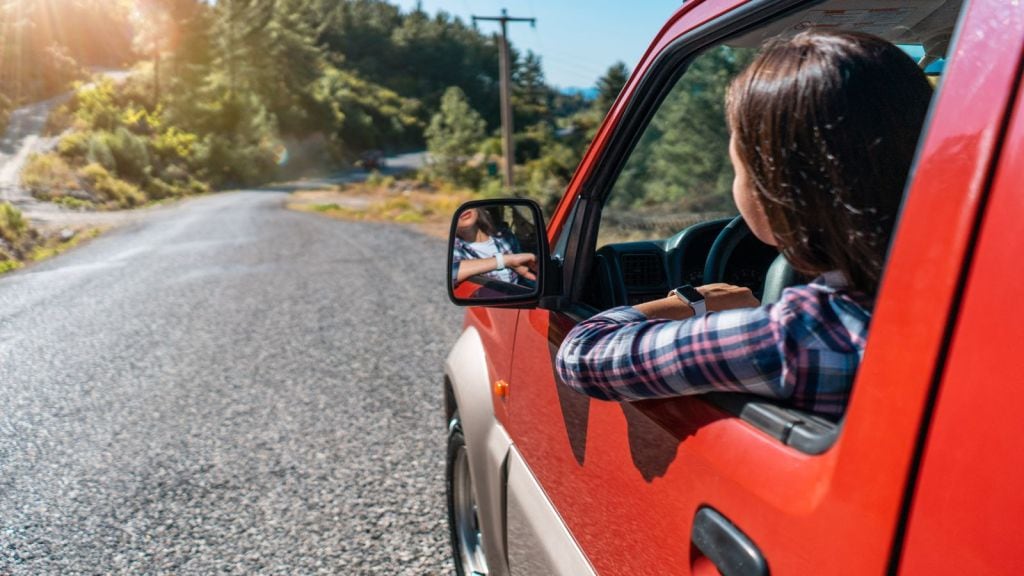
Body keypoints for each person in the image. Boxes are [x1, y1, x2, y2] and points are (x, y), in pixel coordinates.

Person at [555, 30, 934, 419]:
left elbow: (581, 354)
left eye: (738, 168)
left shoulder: (795, 336)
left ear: (778, 190)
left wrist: (694, 302)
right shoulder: (958, 299)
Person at [451, 207, 537, 287]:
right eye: (452, 206)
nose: (462, 208)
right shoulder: (453, 248)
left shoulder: (505, 236)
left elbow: (522, 276)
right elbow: (450, 274)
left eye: (464, 202)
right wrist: (506, 261)